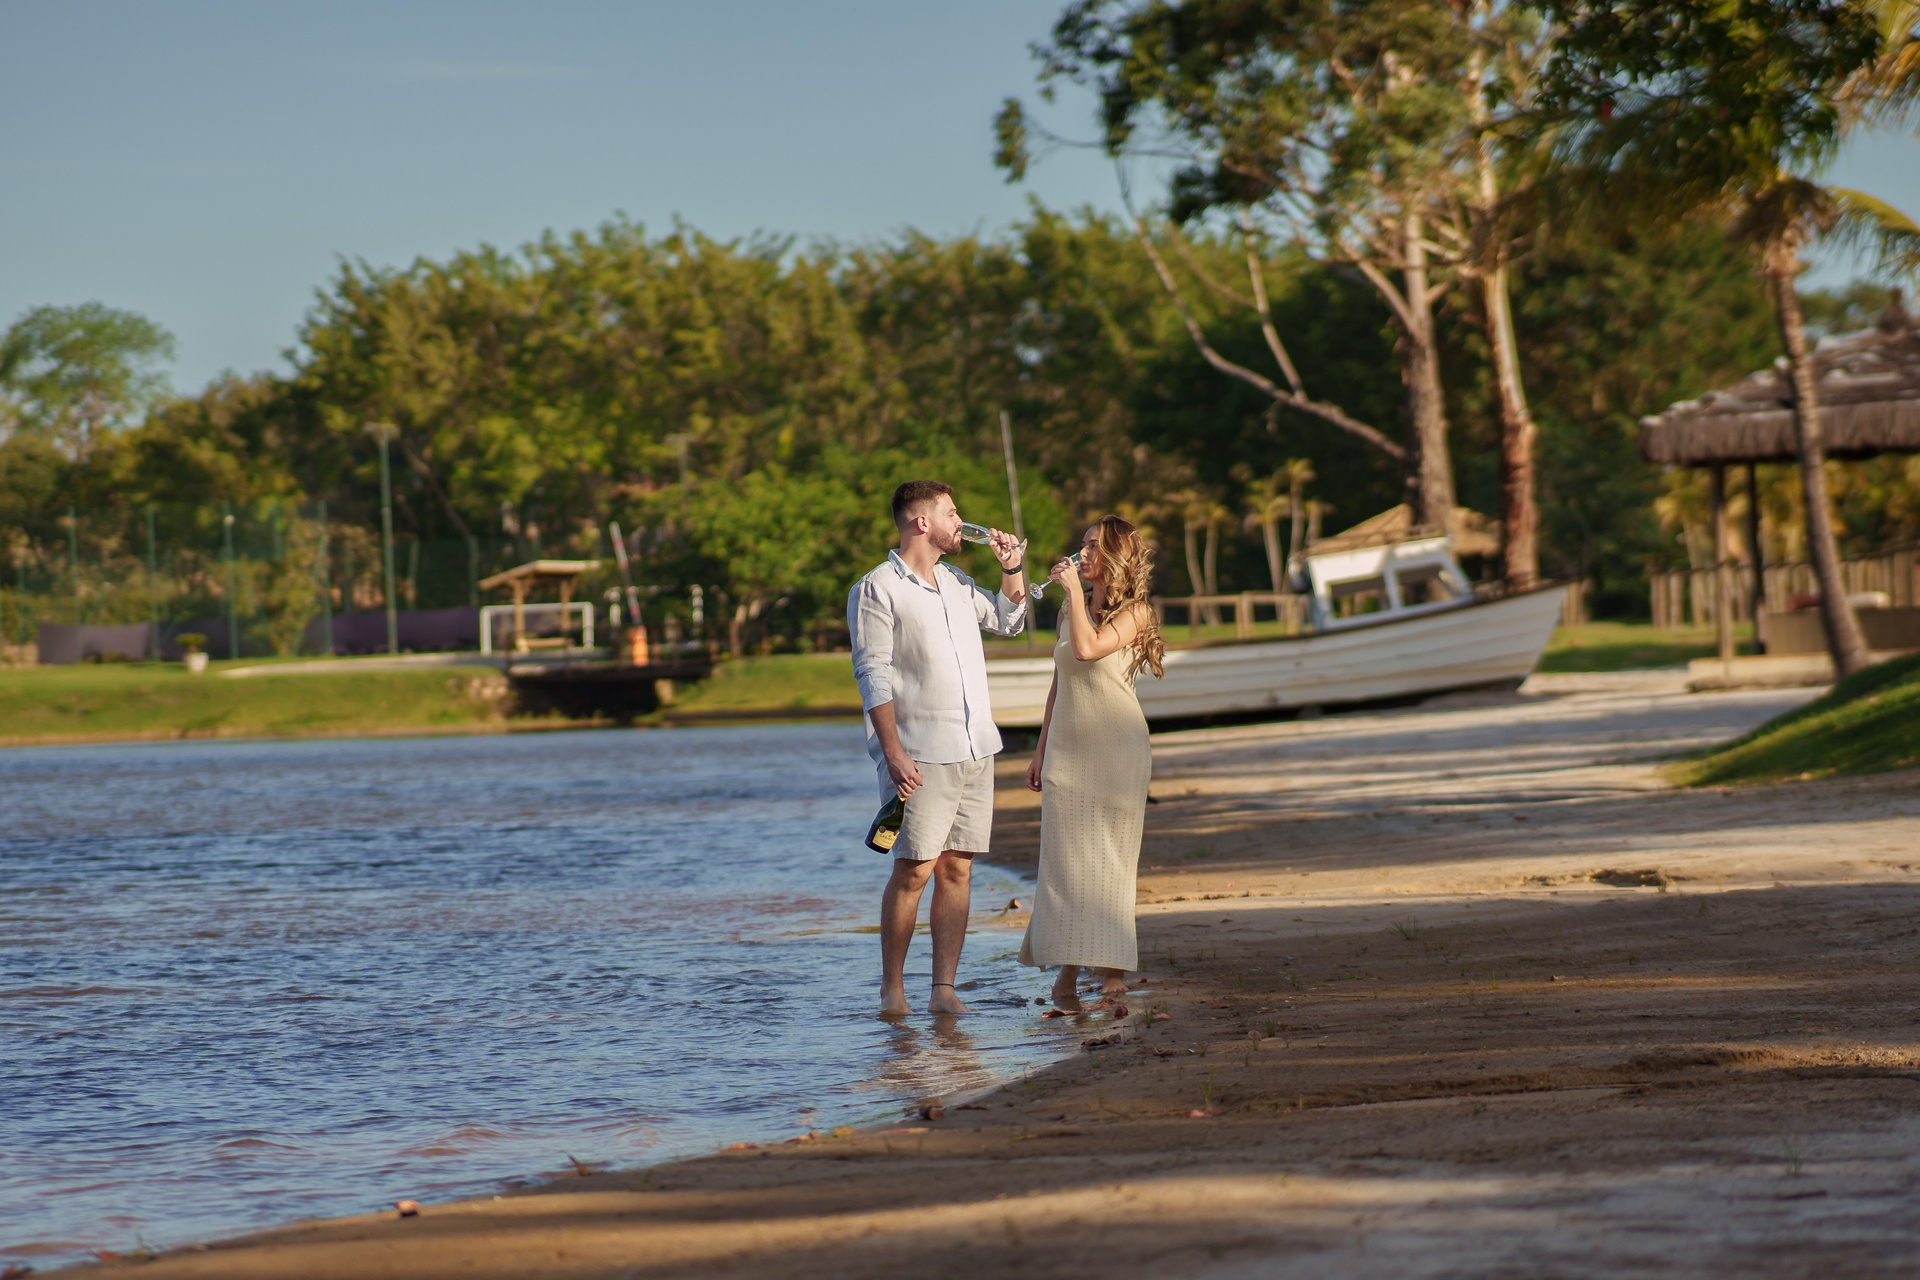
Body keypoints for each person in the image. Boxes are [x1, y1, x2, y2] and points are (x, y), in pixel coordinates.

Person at [849, 480, 1027, 1016]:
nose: (961, 522)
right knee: (914, 870)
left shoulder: (956, 581)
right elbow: (873, 675)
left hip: (976, 746)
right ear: (921, 521)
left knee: (958, 869)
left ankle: (943, 991)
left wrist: (1012, 568)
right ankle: (893, 991)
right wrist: (893, 753)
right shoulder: (876, 588)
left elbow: (1008, 621)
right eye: (952, 513)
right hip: (919, 753)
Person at [1019, 516, 1165, 1010]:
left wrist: (1074, 597)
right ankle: (1067, 971)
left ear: (1117, 556)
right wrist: (1040, 750)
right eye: (1082, 545)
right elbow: (1059, 683)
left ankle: (1113, 970)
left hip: (1118, 750)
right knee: (1066, 864)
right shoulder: (1070, 607)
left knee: (1111, 860)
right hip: (1067, 749)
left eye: (1094, 547)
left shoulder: (1137, 613)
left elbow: (1087, 650)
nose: (1082, 554)